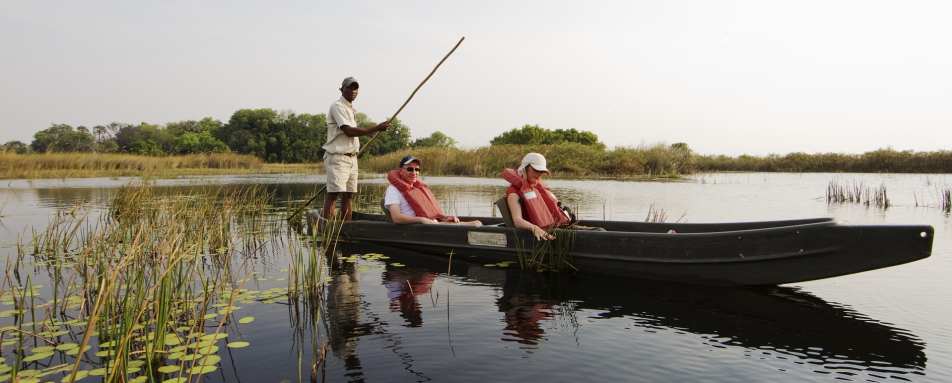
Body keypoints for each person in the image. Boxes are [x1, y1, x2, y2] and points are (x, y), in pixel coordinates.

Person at [322, 77, 390, 221]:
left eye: (355, 88)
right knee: (333, 194)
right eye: (349, 88)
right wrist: (375, 128)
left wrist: (371, 131)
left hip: (352, 158)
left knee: (348, 195)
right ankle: (327, 229)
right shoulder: (337, 106)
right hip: (338, 158)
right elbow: (349, 131)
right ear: (342, 89)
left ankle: (347, 227)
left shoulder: (351, 109)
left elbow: (353, 132)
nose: (353, 91)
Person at [384, 155, 482, 226]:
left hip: (431, 223)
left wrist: (445, 218)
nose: (414, 172)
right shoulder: (393, 190)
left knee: (477, 223)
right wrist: (421, 219)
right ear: (401, 171)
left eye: (417, 169)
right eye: (410, 169)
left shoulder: (417, 188)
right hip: (417, 227)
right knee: (475, 224)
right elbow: (396, 218)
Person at [502, 153, 575, 240]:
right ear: (524, 169)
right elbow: (517, 220)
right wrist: (535, 228)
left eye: (542, 171)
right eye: (536, 170)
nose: (539, 174)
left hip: (553, 228)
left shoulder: (537, 188)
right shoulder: (513, 193)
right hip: (533, 234)